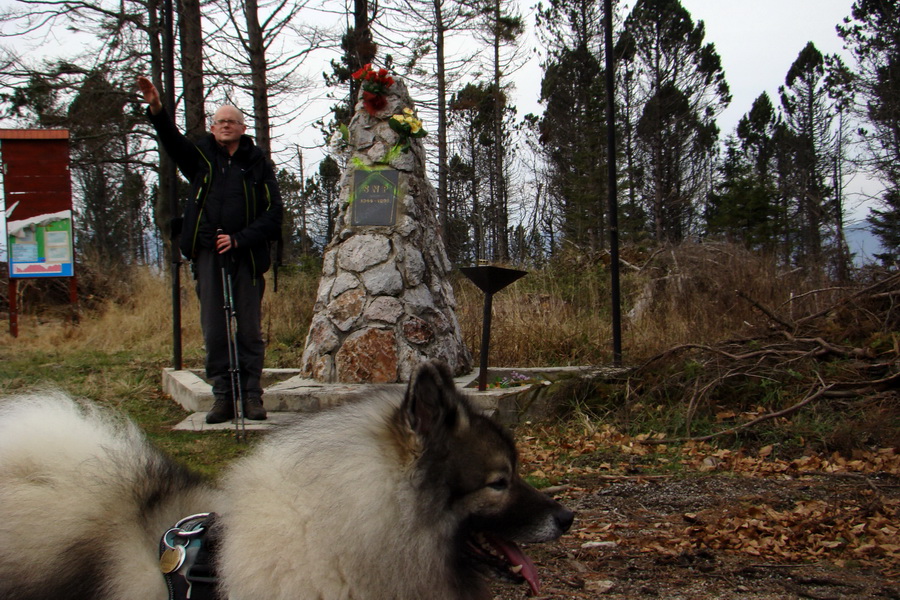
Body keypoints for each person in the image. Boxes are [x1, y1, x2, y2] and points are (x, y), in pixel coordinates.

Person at [137, 76, 282, 424]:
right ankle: (223, 397)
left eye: (231, 121)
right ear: (213, 128)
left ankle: (251, 396)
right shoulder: (201, 158)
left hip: (245, 256)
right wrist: (157, 108)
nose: (225, 126)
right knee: (214, 329)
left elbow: (274, 214)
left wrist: (239, 238)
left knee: (248, 329)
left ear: (243, 127)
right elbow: (171, 141)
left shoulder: (258, 164)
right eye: (220, 122)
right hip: (207, 254)